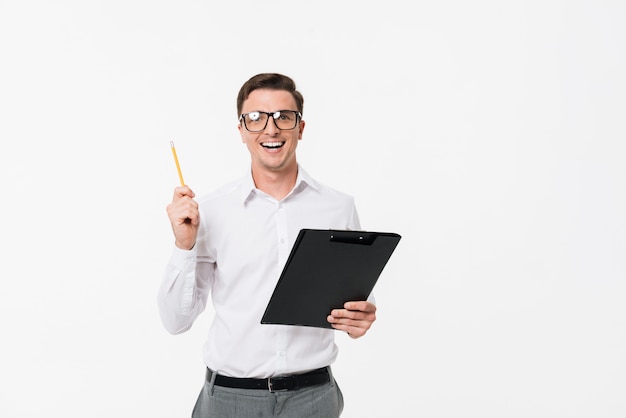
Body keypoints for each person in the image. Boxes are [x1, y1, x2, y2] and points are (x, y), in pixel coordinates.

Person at [158, 73, 377, 418]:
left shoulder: (338, 207)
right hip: (229, 400)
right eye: (256, 118)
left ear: (300, 128)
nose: (270, 129)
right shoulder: (211, 211)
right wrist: (183, 245)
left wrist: (359, 318)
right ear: (241, 131)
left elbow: (356, 301)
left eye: (283, 117)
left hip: (313, 399)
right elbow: (175, 321)